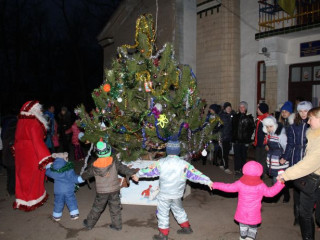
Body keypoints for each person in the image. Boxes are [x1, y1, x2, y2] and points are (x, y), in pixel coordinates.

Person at [135, 139, 213, 240]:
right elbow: (196, 174)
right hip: (177, 194)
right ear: (178, 151)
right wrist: (208, 181)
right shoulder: (184, 164)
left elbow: (149, 170)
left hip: (164, 195)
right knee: (179, 210)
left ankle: (163, 234)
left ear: (167, 150)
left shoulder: (161, 163)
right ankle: (186, 228)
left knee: (162, 213)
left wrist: (138, 175)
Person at [212, 161, 284, 240]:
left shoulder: (240, 183)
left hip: (242, 212)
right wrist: (280, 183)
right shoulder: (261, 185)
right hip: (254, 213)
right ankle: (250, 238)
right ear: (260, 172)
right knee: (253, 227)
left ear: (244, 170)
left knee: (243, 225)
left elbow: (227, 187)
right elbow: (270, 193)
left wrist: (215, 185)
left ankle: (243, 237)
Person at [278, 106, 320, 240]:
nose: (308, 122)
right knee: (305, 213)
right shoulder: (313, 135)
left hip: (316, 180)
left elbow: (309, 163)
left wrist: (286, 174)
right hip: (311, 179)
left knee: (314, 215)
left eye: (311, 119)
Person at [81, 139, 137, 231]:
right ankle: (117, 225)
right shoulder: (114, 162)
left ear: (97, 153)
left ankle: (89, 224)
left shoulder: (94, 165)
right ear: (109, 151)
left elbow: (86, 174)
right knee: (115, 207)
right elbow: (123, 168)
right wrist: (132, 173)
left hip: (102, 192)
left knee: (97, 208)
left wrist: (81, 177)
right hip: (114, 189)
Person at [13, 100, 53, 211]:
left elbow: (16, 139)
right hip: (32, 154)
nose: (41, 111)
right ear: (33, 110)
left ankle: (23, 200)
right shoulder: (34, 122)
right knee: (33, 178)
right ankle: (32, 200)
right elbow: (37, 141)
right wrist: (46, 157)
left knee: (23, 178)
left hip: (21, 155)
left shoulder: (21, 122)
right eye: (39, 109)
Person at [280, 101, 313, 225]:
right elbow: (290, 144)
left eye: (306, 111)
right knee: (298, 189)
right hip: (296, 158)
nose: (303, 114)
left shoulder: (313, 125)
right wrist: (285, 156)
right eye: (301, 111)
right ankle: (298, 216)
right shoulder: (293, 127)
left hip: (311, 158)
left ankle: (308, 215)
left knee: (310, 188)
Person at [45, 152, 84, 221]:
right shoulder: (68, 169)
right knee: (71, 200)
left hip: (58, 190)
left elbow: (47, 172)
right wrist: (80, 179)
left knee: (58, 202)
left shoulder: (54, 171)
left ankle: (57, 215)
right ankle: (74, 214)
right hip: (68, 189)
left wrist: (48, 167)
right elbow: (73, 178)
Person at [262, 116, 290, 202]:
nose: (268, 128)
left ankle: (277, 197)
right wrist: (267, 146)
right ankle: (284, 195)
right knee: (278, 179)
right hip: (272, 160)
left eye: (270, 126)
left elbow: (287, 147)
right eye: (267, 127)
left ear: (274, 125)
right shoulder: (269, 134)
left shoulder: (281, 135)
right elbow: (270, 144)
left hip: (279, 161)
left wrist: (284, 158)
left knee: (277, 180)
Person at [231, 101, 255, 177]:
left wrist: (248, 138)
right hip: (237, 140)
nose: (241, 108)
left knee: (243, 156)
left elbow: (252, 128)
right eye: (240, 107)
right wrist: (233, 138)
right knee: (237, 156)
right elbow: (232, 128)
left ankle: (243, 169)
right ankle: (237, 170)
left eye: (243, 107)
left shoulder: (249, 117)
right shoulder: (235, 116)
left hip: (245, 141)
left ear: (245, 108)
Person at [1, 114, 17, 196]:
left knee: (10, 174)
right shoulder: (13, 136)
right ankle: (12, 190)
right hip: (11, 159)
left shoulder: (5, 133)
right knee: (13, 175)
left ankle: (10, 189)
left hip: (7, 158)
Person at [253, 102, 269, 174]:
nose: (257, 110)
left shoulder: (266, 120)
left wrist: (267, 144)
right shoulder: (259, 119)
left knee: (262, 160)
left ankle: (262, 174)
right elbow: (257, 132)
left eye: (258, 109)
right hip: (258, 143)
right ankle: (259, 173)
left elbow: (268, 133)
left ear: (261, 110)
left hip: (263, 144)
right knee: (258, 159)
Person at [219, 102, 234, 174]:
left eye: (230, 107)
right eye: (227, 108)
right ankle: (226, 167)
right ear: (224, 108)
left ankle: (221, 164)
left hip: (229, 136)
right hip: (223, 137)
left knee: (226, 151)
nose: (229, 109)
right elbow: (219, 127)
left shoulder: (231, 115)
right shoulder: (221, 116)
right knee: (224, 153)